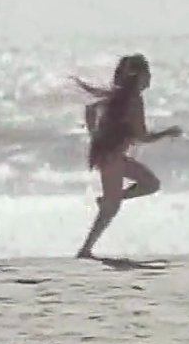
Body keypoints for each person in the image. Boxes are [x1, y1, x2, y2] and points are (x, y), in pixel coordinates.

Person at [71, 54, 182, 259]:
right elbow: (142, 137)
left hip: (112, 157)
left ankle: (105, 206)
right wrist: (167, 132)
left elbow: (90, 109)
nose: (150, 78)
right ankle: (85, 249)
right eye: (147, 74)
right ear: (139, 76)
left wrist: (95, 135)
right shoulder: (133, 100)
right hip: (111, 158)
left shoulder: (120, 96)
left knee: (150, 184)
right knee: (111, 208)